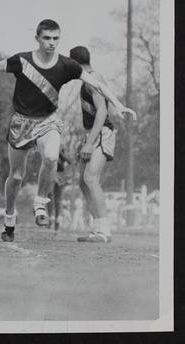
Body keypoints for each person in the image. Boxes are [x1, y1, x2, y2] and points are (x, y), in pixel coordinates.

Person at [0, 19, 136, 242]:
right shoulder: (22, 60)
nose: (51, 43)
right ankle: (9, 219)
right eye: (46, 38)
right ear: (37, 38)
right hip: (22, 122)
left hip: (49, 121)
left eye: (56, 38)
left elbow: (97, 84)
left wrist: (119, 104)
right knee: (16, 176)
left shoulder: (67, 65)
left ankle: (41, 203)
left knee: (51, 157)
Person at [70, 46, 117, 242]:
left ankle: (105, 231)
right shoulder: (87, 80)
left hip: (101, 133)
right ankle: (98, 228)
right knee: (83, 182)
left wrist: (89, 143)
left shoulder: (93, 79)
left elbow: (102, 112)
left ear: (75, 63)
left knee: (90, 178)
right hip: (92, 133)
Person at [47, 147, 71, 231]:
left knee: (58, 199)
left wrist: (60, 153)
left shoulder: (62, 153)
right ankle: (51, 218)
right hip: (51, 173)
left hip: (61, 175)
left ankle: (57, 220)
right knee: (50, 196)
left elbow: (70, 161)